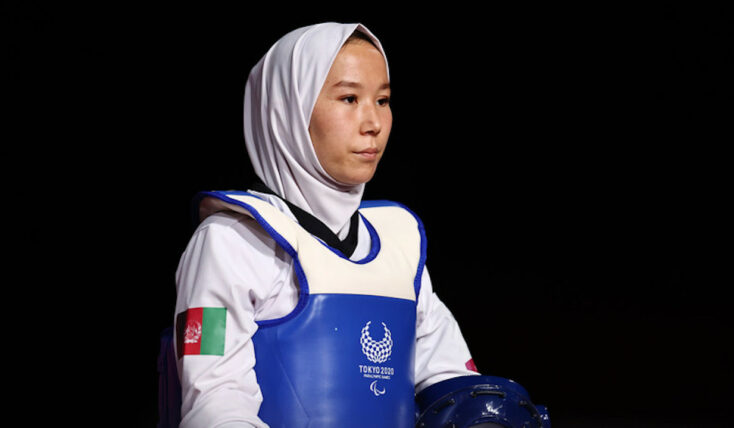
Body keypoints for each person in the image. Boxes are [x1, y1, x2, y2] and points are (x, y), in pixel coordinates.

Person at [164, 22, 549, 428]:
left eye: (382, 100)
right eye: (349, 98)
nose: (374, 123)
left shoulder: (399, 245)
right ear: (287, 111)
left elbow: (452, 385)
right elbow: (215, 403)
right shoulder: (232, 241)